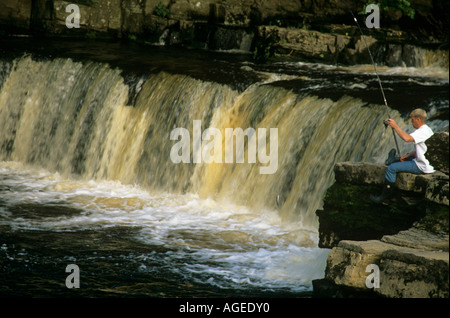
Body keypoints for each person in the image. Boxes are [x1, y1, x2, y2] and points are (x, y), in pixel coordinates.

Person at [370, 108, 435, 205]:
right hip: (428, 162)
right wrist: (408, 155)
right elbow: (423, 150)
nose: (412, 122)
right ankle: (393, 159)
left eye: (412, 119)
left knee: (391, 169)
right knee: (408, 155)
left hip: (421, 166)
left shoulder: (422, 132)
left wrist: (395, 126)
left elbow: (406, 138)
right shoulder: (428, 130)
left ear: (418, 119)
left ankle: (384, 198)